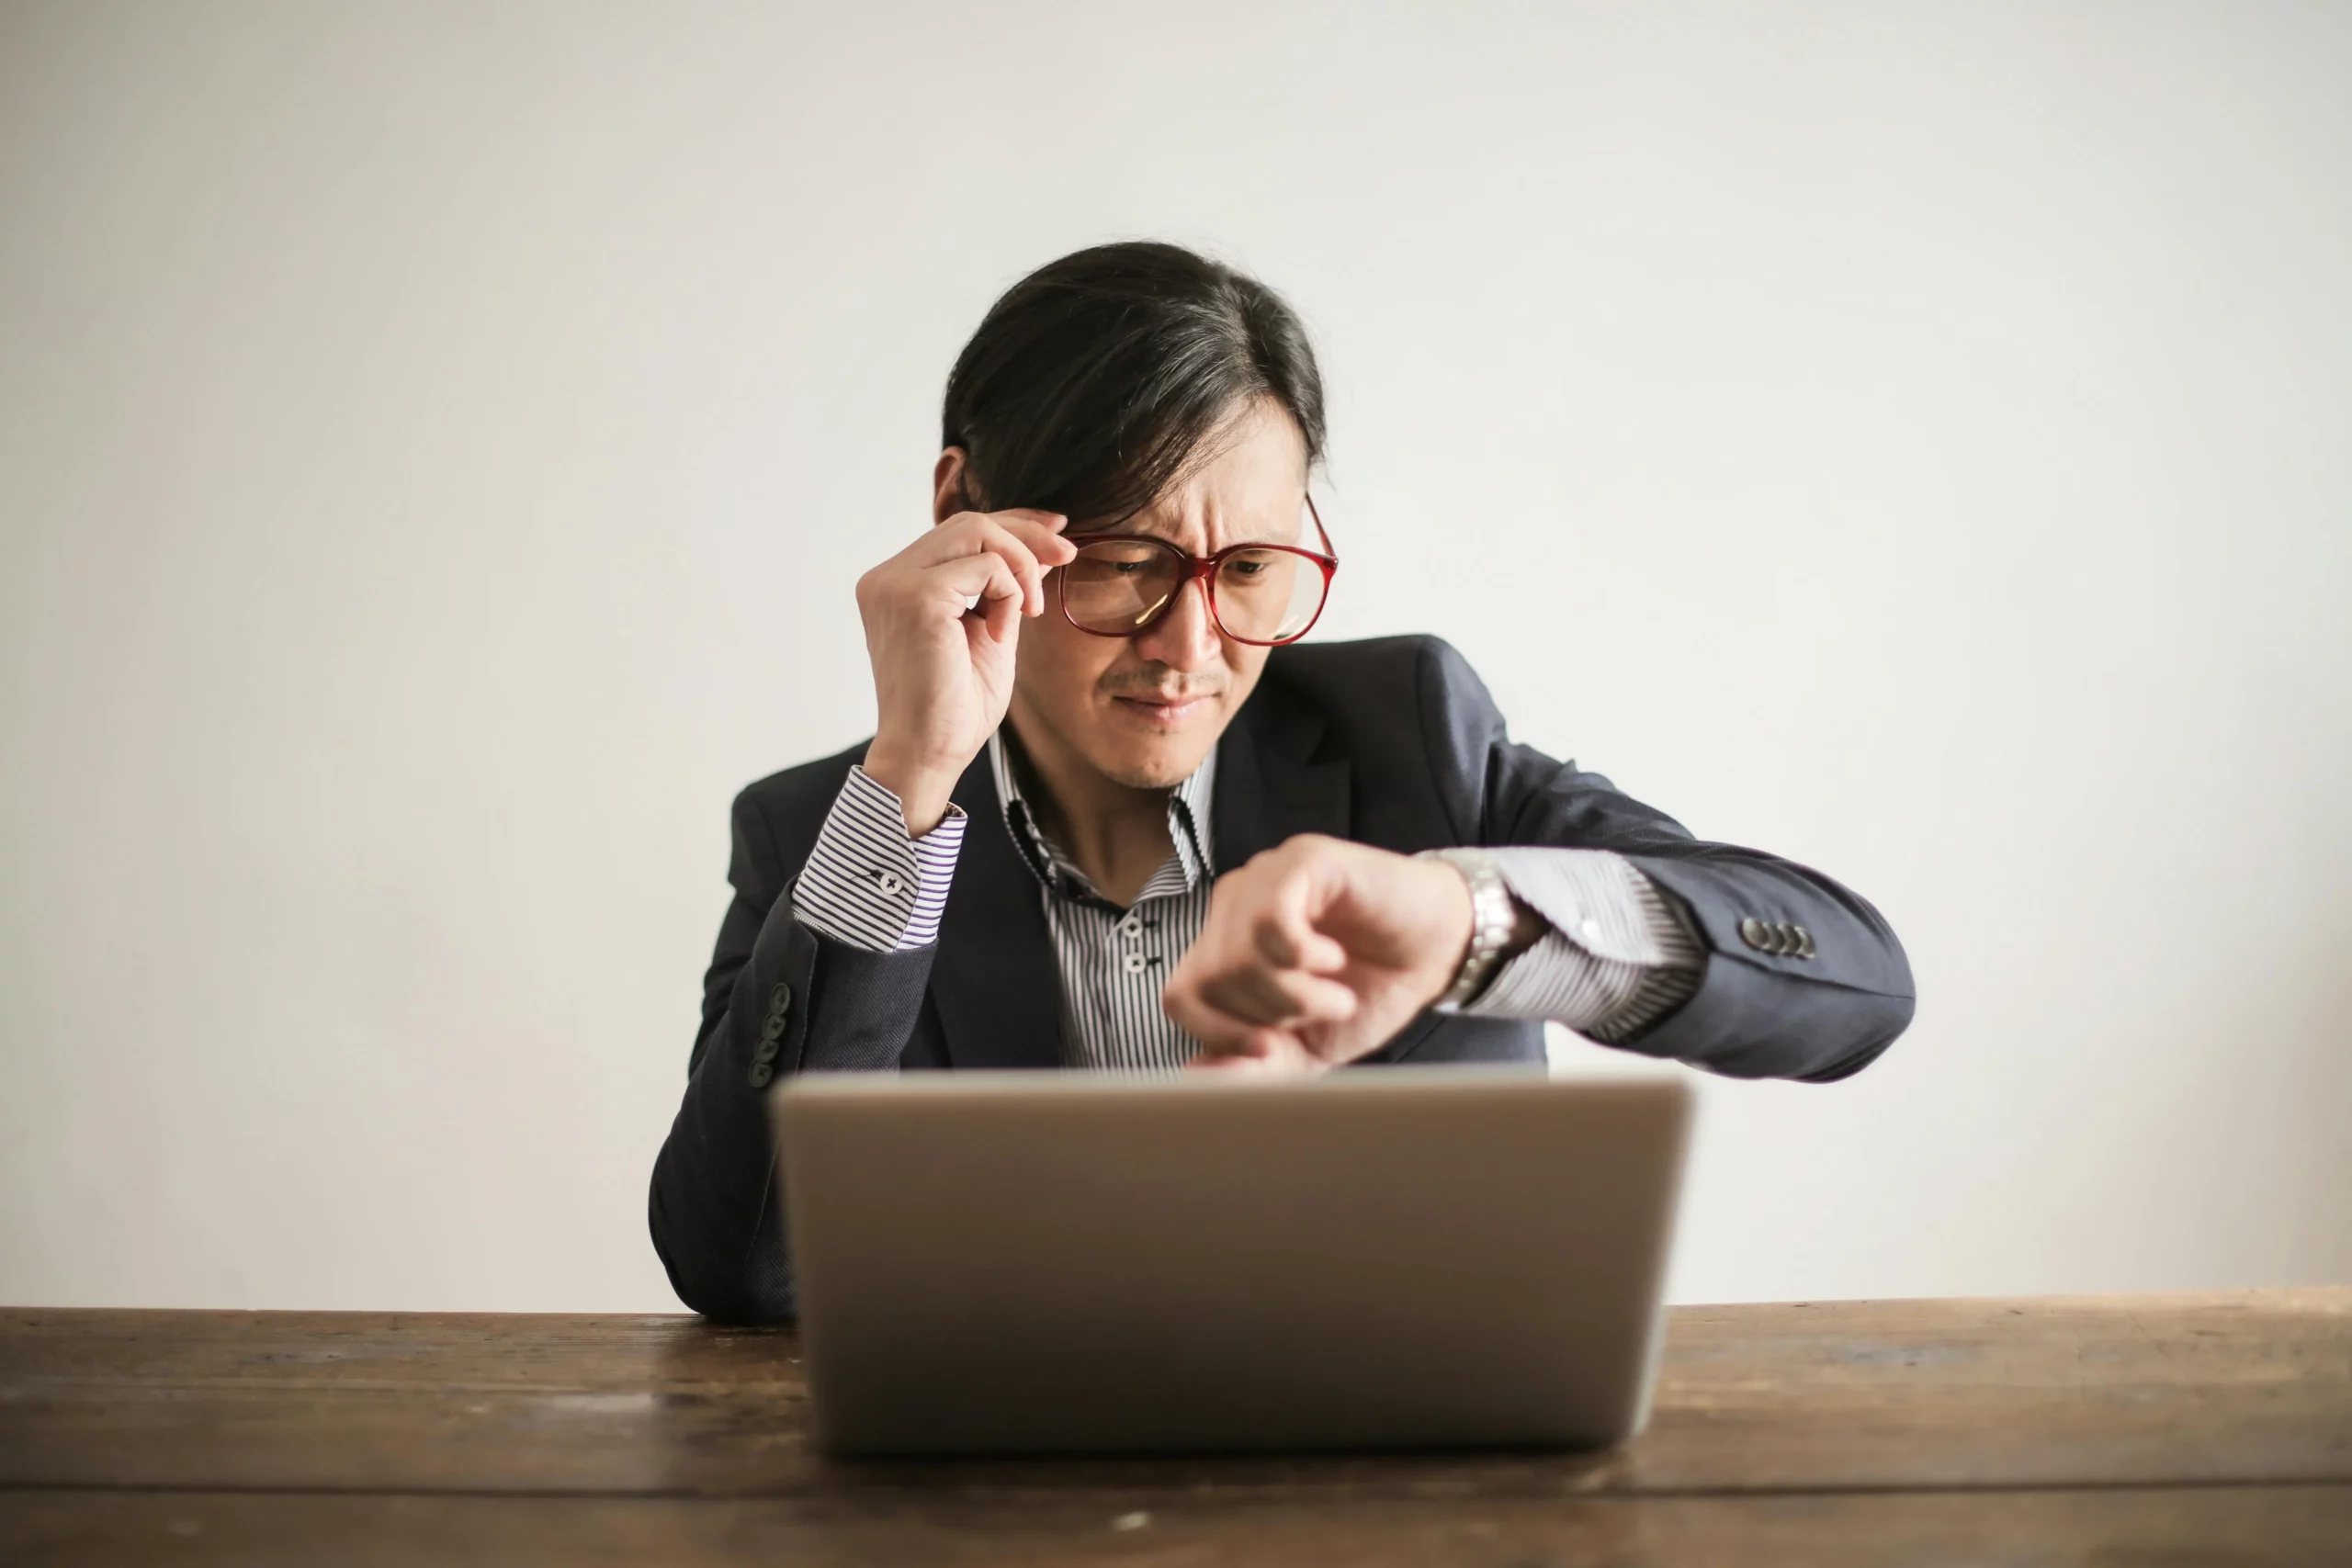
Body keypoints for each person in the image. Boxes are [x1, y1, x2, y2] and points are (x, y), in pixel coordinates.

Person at [650, 242, 1915, 1324]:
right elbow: (743, 1264)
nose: (1189, 650)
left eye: (1250, 567)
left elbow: (1851, 982)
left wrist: (1469, 927)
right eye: (1126, 561)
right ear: (965, 516)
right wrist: (914, 781)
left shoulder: (1414, 737)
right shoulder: (828, 832)